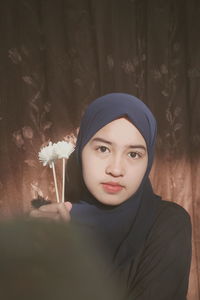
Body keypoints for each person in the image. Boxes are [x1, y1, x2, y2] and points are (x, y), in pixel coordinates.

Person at [30, 93, 192, 299]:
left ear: (148, 161)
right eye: (103, 149)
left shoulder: (168, 223)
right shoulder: (52, 225)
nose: (116, 170)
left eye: (133, 154)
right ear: (81, 151)